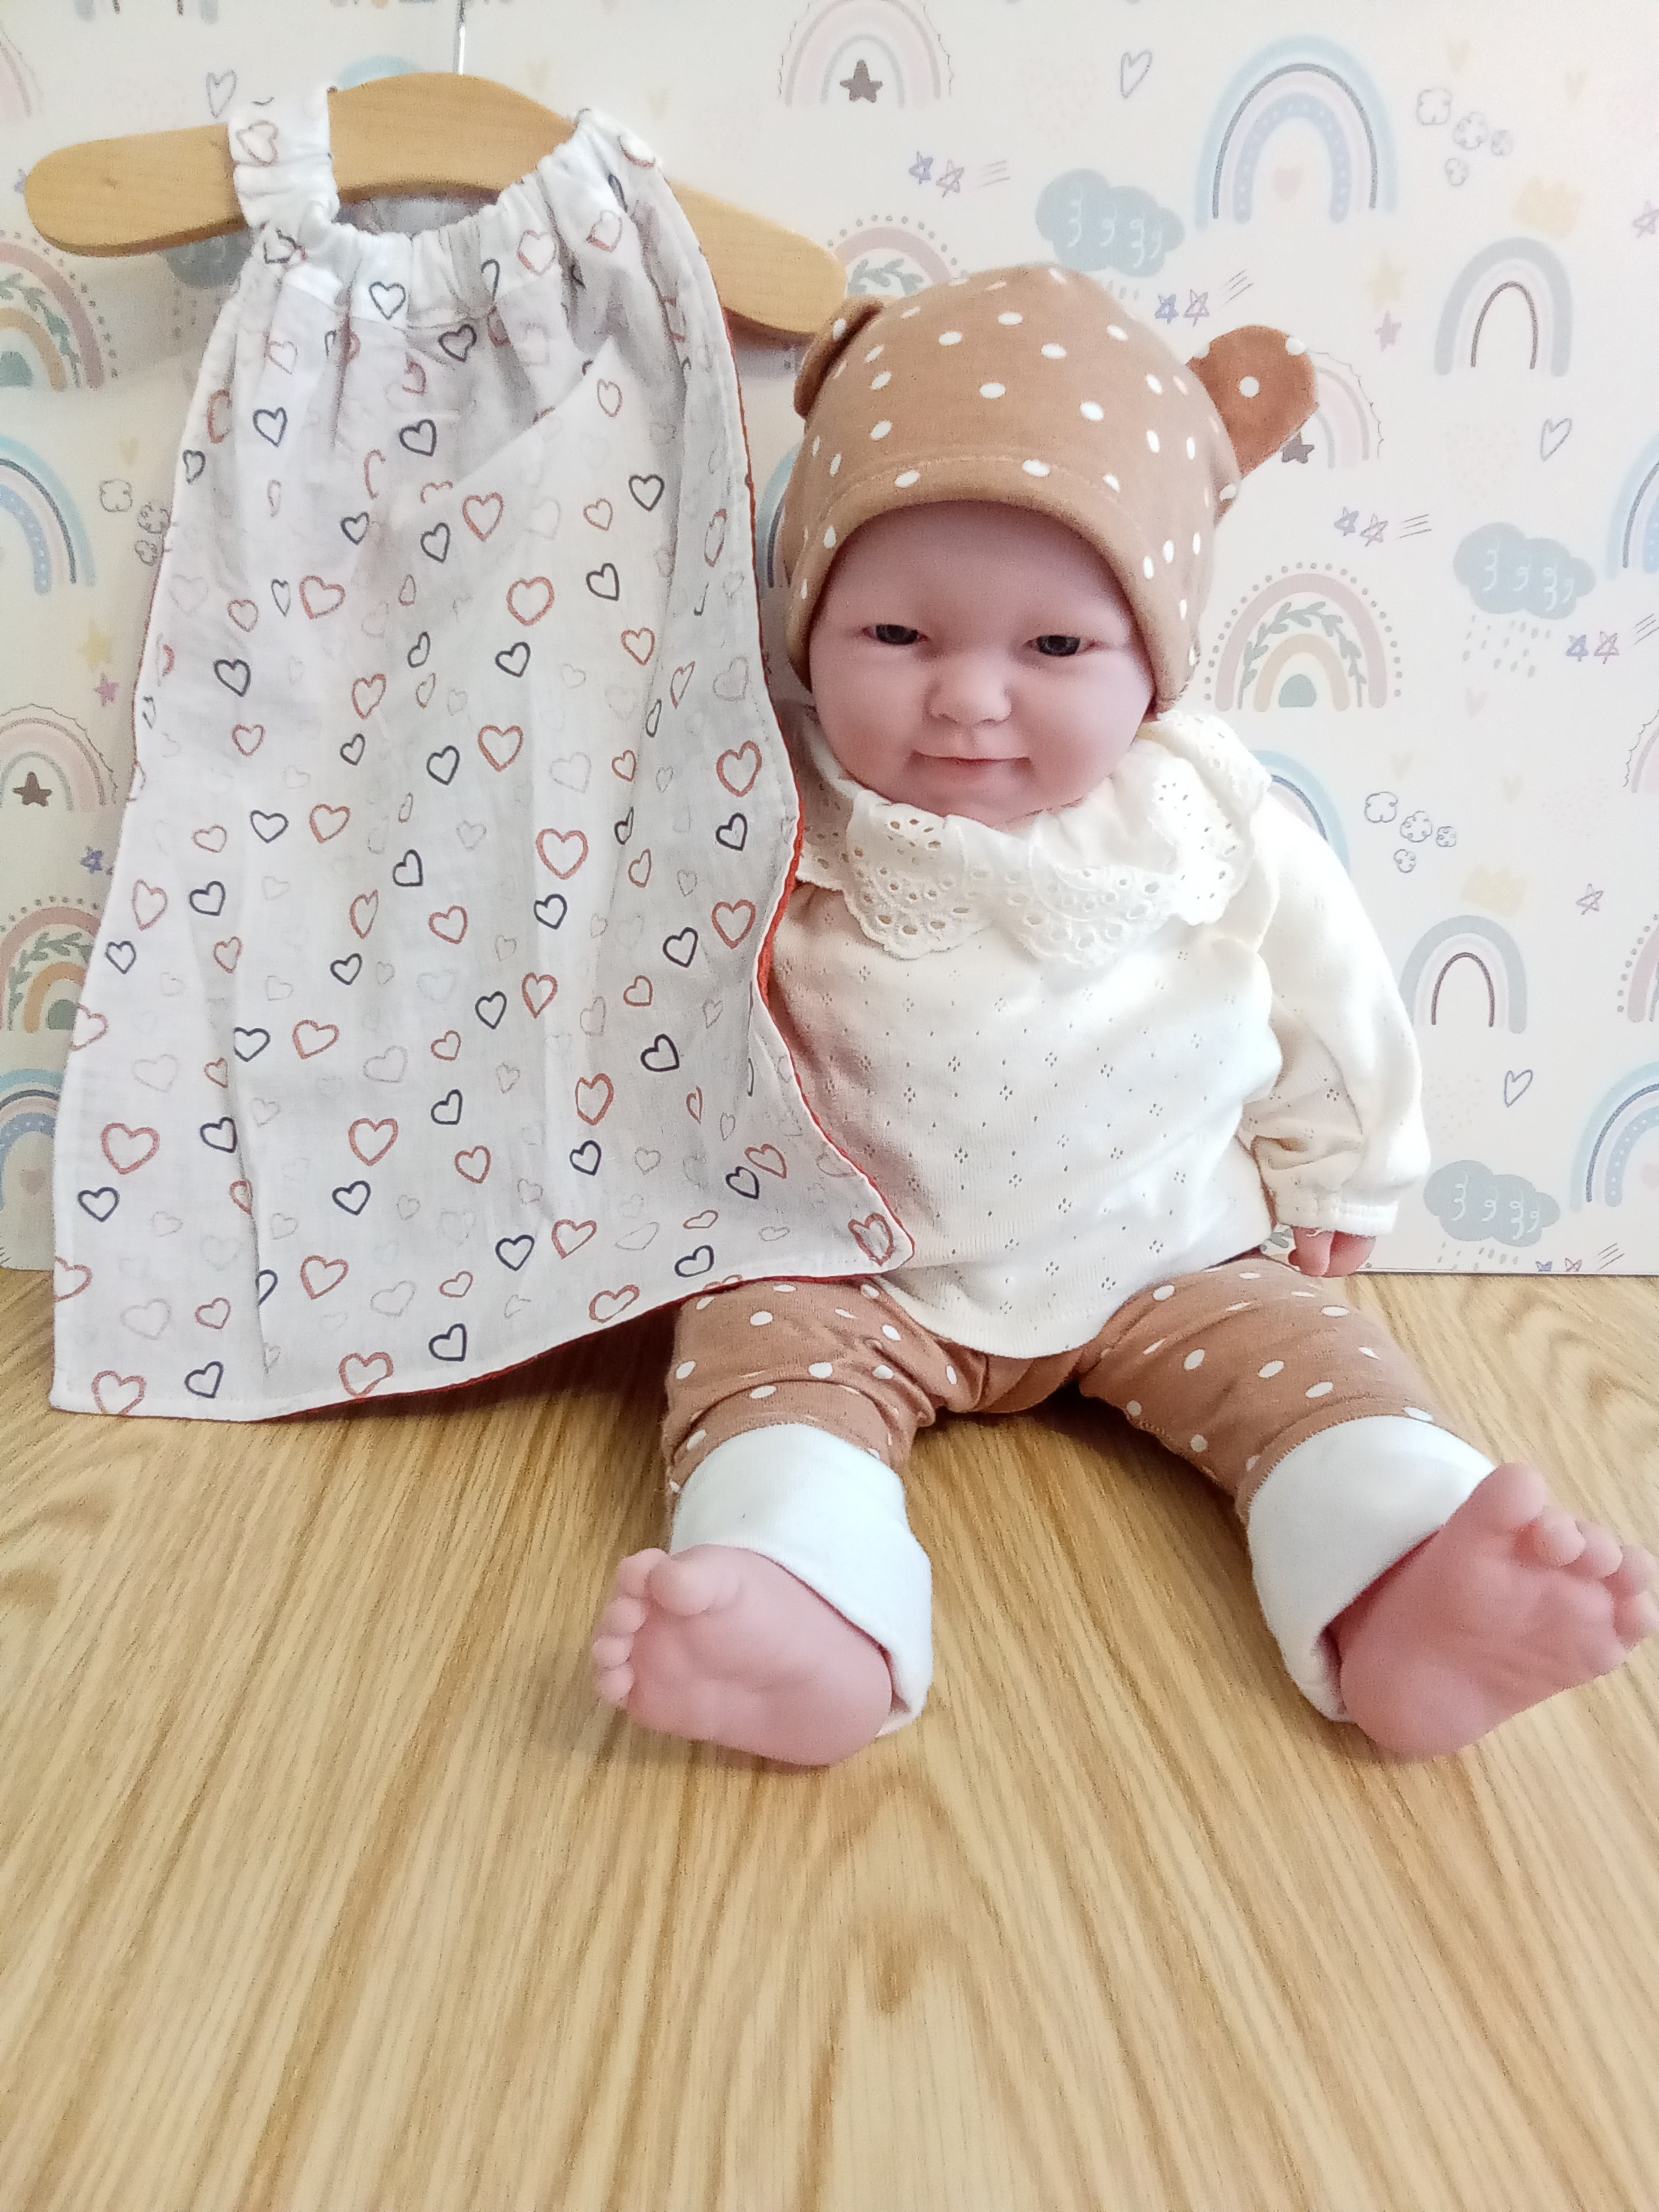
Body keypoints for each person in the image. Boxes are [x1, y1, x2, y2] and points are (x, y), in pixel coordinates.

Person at [591, 266, 1656, 1765]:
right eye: (896, 635)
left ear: (1157, 653)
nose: (970, 697)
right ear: (807, 621)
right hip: (850, 1266)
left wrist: (1349, 1170)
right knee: (758, 1375)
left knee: (1322, 1374)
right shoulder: (769, 792)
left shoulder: (1203, 814)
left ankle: (1404, 1576)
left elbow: (1336, 988)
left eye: (1055, 649)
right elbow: (655, 986)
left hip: (1166, 1251)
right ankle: (801, 1600)